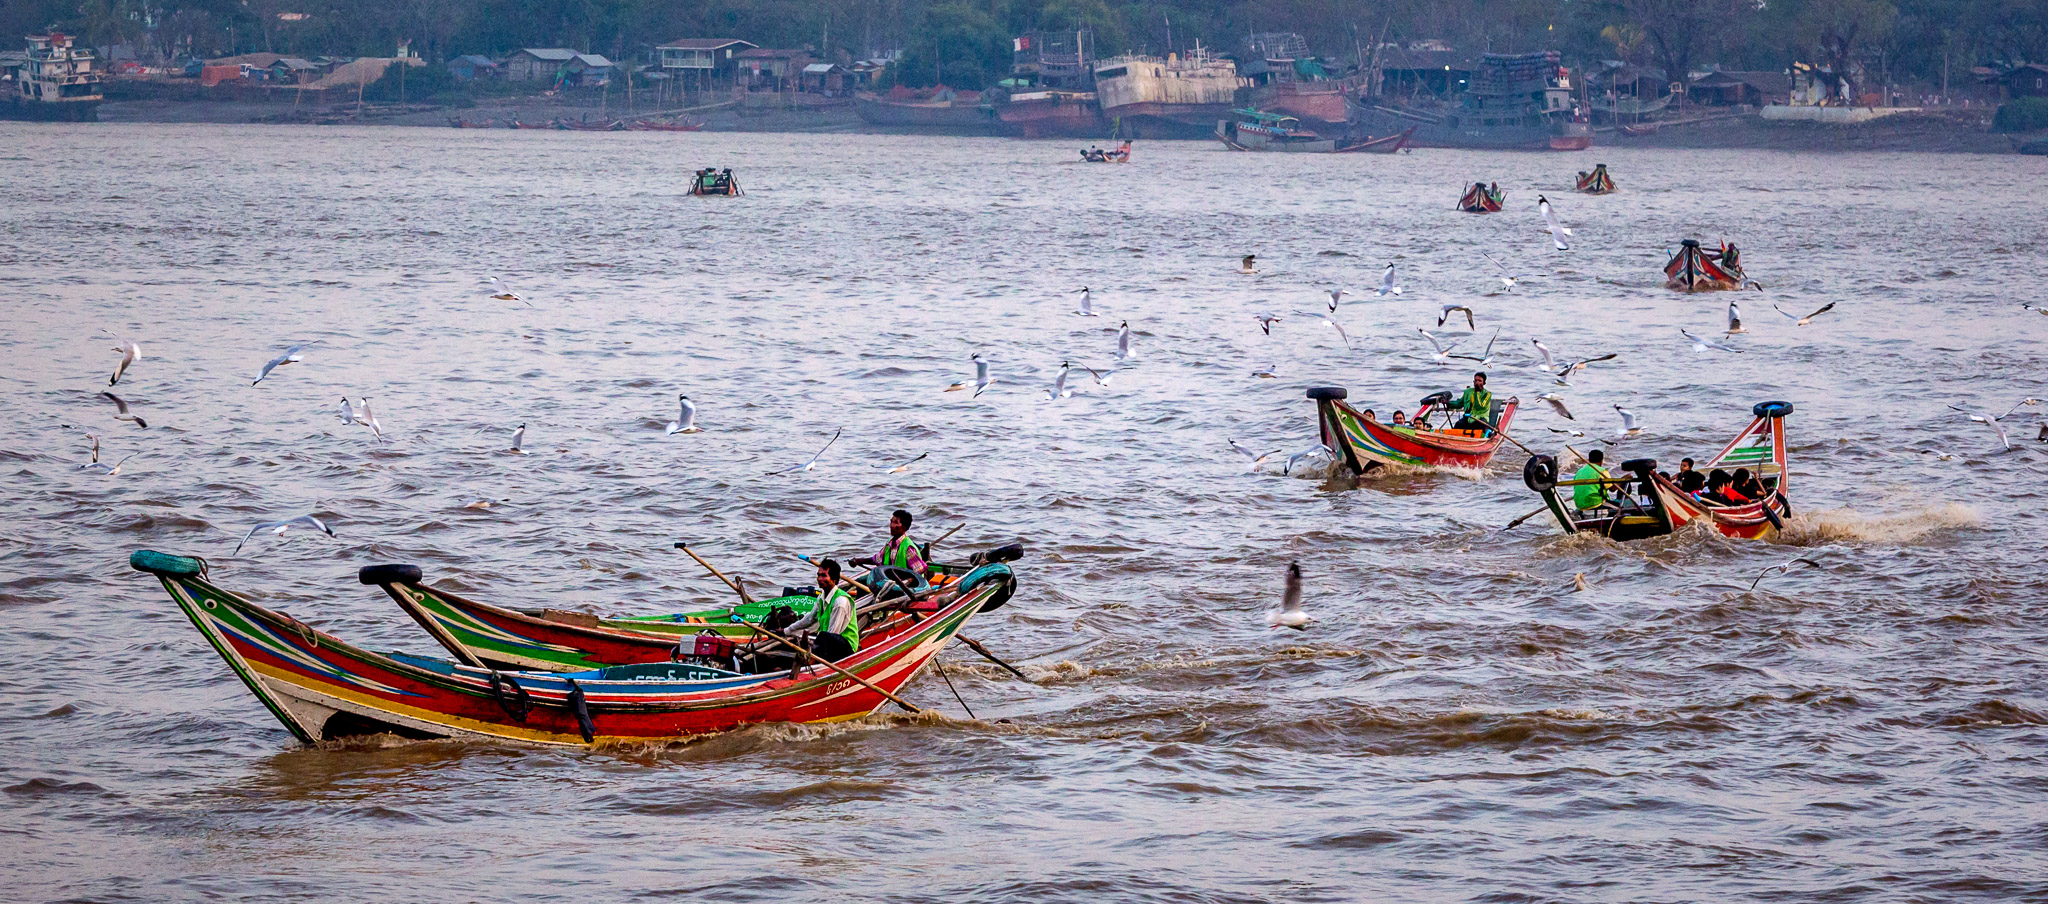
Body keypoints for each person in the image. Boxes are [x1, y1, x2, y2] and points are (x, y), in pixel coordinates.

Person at [787, 558, 859, 662]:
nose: (819, 579)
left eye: (824, 575)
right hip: (828, 641)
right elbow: (809, 619)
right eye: (818, 575)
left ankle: (810, 664)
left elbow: (832, 634)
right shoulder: (821, 597)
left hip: (845, 647)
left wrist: (813, 648)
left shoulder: (840, 602)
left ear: (834, 579)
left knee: (824, 636)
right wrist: (788, 630)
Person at [853, 509, 926, 581]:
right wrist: (857, 561)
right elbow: (876, 559)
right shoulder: (889, 543)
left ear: (904, 527)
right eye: (891, 522)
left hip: (904, 586)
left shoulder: (908, 548)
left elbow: (919, 571)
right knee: (860, 581)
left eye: (896, 523)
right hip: (889, 580)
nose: (891, 525)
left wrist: (906, 582)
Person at [1571, 449, 1615, 515]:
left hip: (1580, 505)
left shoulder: (1579, 472)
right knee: (1620, 509)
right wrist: (1623, 480)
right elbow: (1612, 489)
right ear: (1601, 461)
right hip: (1595, 504)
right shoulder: (1601, 471)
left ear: (1589, 459)